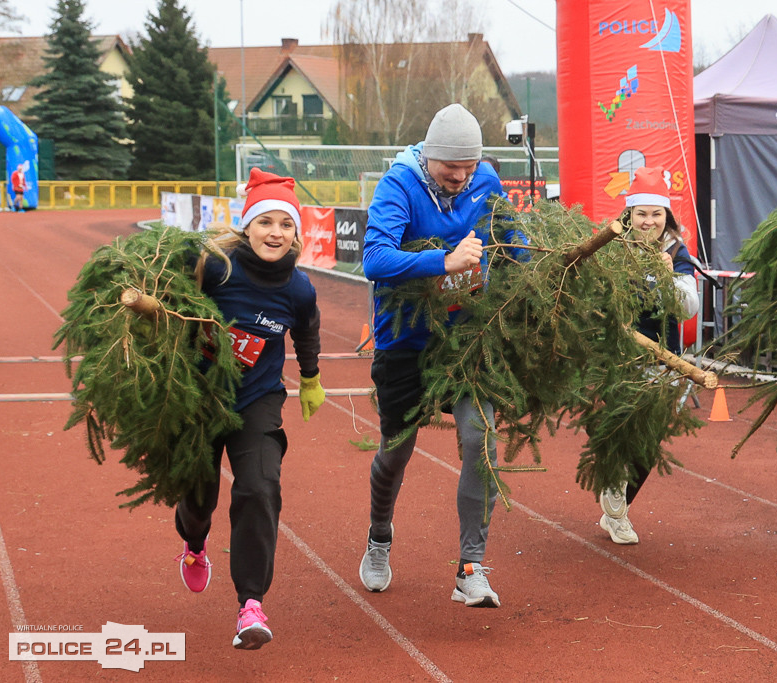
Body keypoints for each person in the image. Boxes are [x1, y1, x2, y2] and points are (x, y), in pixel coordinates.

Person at [360, 103, 521, 608]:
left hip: (466, 338)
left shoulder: (485, 180)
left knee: (481, 442)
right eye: (451, 166)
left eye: (468, 167)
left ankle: (470, 567)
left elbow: (512, 238)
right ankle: (379, 536)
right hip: (405, 341)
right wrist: (444, 261)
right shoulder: (399, 185)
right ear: (429, 156)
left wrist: (542, 264)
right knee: (396, 451)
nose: (460, 176)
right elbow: (373, 259)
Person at [174, 168, 325, 649]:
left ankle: (251, 605)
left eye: (286, 224)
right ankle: (195, 545)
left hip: (258, 399)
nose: (275, 232)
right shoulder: (216, 265)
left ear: (296, 233)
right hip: (201, 398)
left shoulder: (299, 288)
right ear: (247, 226)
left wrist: (311, 377)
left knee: (260, 488)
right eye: (265, 223)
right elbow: (171, 294)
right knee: (198, 501)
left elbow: (305, 329)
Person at [596, 167, 700, 545]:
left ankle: (618, 507)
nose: (648, 221)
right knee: (620, 429)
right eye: (641, 213)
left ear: (666, 217)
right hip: (620, 358)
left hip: (664, 361)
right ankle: (615, 502)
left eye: (656, 214)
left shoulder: (677, 252)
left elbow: (689, 308)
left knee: (650, 444)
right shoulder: (613, 246)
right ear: (629, 215)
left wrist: (669, 276)